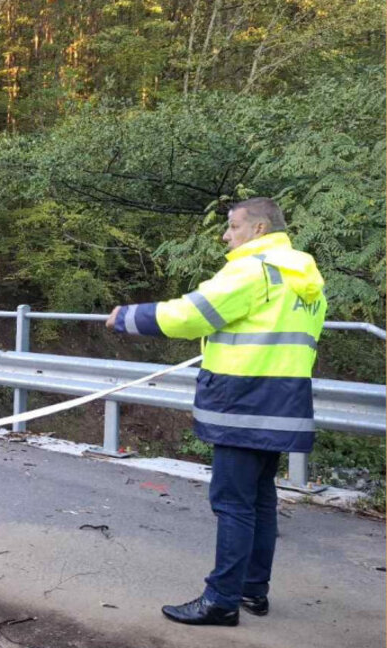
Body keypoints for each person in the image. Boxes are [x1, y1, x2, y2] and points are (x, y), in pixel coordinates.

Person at [106, 197, 327, 626]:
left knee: (231, 503)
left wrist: (129, 317)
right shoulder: (302, 276)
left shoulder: (254, 269)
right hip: (282, 400)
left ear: (259, 229)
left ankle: (221, 600)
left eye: (233, 227)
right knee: (259, 501)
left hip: (243, 400)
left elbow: (193, 314)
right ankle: (251, 591)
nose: (226, 236)